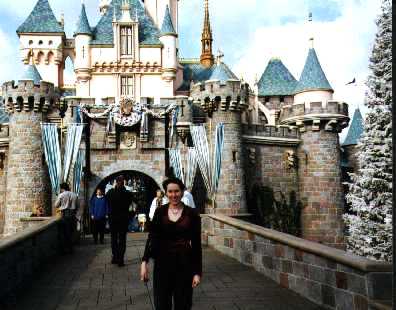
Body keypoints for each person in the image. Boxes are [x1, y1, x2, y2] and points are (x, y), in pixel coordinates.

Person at [140, 177, 202, 310]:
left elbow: (196, 245)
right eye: (170, 192)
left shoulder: (192, 214)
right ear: (166, 193)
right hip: (162, 266)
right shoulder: (159, 212)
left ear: (182, 192)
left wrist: (197, 272)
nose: (173, 195)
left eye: (177, 191)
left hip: (184, 265)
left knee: (183, 304)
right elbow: (152, 238)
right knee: (162, 304)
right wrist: (144, 262)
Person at [106, 175, 134, 267]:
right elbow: (132, 205)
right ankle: (121, 259)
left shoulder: (110, 193)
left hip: (113, 219)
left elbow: (107, 202)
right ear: (124, 183)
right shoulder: (128, 194)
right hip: (123, 219)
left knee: (114, 238)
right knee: (122, 239)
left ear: (115, 182)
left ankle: (115, 256)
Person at [55, 182, 79, 254]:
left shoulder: (61, 195)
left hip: (64, 215)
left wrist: (62, 206)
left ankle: (64, 249)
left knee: (64, 232)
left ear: (62, 188)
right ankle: (71, 248)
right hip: (72, 215)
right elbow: (77, 206)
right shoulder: (74, 195)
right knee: (71, 232)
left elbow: (56, 205)